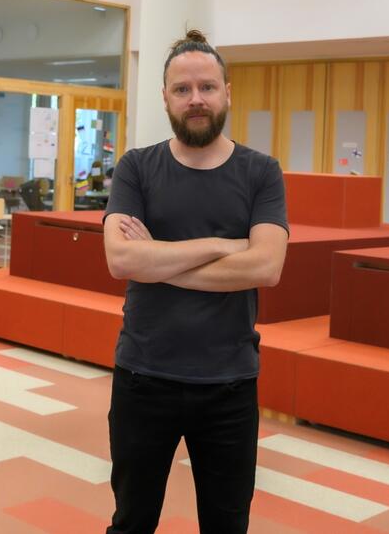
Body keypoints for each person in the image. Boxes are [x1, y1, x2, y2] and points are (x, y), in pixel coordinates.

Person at [102, 30, 289, 533]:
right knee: (131, 522)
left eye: (207, 87)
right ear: (165, 97)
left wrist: (158, 258)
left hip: (229, 384)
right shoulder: (136, 168)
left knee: (227, 526)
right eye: (182, 90)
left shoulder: (261, 173)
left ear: (228, 91)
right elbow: (121, 260)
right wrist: (224, 245)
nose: (196, 99)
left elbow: (265, 268)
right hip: (144, 379)